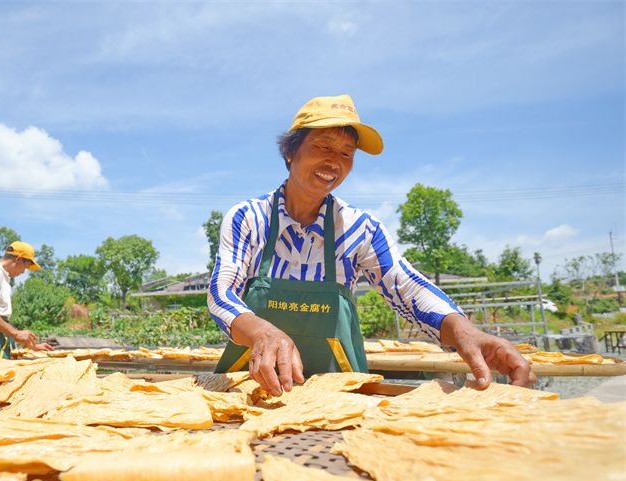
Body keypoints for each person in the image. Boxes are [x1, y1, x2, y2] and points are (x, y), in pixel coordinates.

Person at [208, 94, 537, 397]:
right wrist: (259, 331)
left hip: (338, 398)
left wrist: (464, 331)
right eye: (324, 147)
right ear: (291, 151)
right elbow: (221, 292)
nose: (334, 162)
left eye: (346, 154)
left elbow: (407, 287)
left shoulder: (360, 229)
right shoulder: (248, 219)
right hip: (250, 393)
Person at [0, 241, 54, 358]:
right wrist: (15, 333)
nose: (24, 272)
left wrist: (32, 345)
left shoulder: (1, 275)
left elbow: (0, 319)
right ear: (18, 259)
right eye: (25, 266)